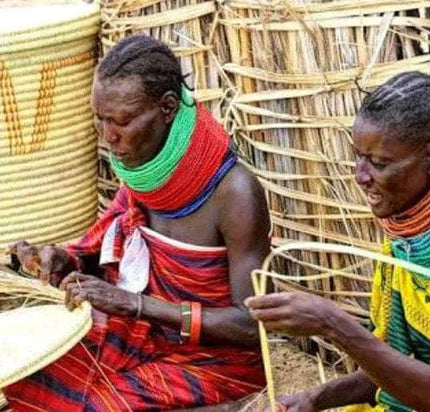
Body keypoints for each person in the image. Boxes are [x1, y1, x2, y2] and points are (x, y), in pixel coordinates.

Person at [246, 72, 430, 411]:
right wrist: (315, 398)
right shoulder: (413, 235)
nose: (360, 176)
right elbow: (396, 367)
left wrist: (332, 323)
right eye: (358, 157)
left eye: (378, 163)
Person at [6, 35, 270, 411]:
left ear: (166, 108)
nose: (108, 136)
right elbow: (116, 252)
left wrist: (137, 305)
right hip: (143, 333)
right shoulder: (144, 172)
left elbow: (250, 327)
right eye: (100, 119)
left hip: (213, 361)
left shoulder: (236, 194)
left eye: (122, 121)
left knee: (92, 406)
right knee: (32, 375)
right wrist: (66, 262)